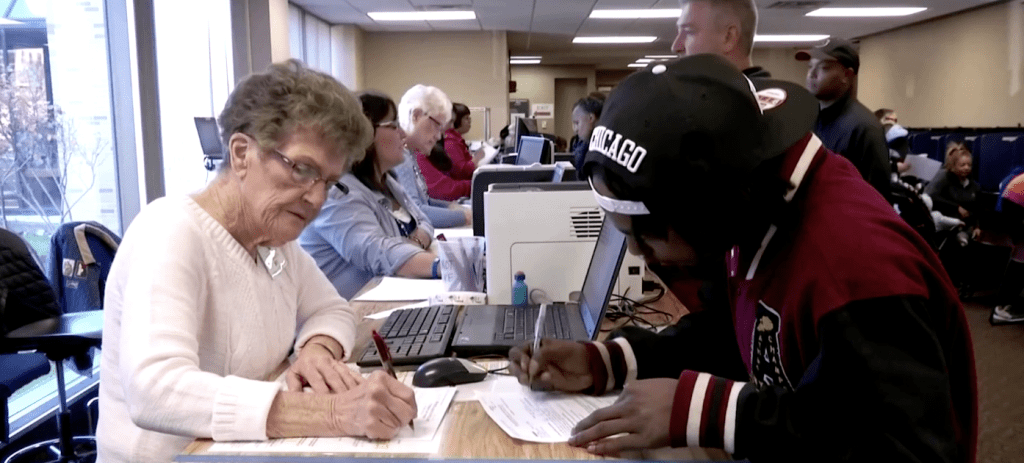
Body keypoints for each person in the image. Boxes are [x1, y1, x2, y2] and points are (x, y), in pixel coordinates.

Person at [509, 55, 977, 462]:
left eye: (644, 236)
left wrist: (710, 411)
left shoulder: (855, 265)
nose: (637, 253)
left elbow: (902, 446)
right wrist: (608, 360)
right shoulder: (755, 198)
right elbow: (750, 335)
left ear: (704, 214)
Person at [96, 61, 417, 463]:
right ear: (242, 153)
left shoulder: (271, 242)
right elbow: (155, 389)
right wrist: (332, 413)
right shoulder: (171, 232)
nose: (316, 198)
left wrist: (316, 351)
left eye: (329, 182)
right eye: (302, 169)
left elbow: (332, 309)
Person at [299, 91, 439, 300]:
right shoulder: (338, 192)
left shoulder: (387, 181)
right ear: (364, 134)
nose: (402, 133)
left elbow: (424, 222)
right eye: (393, 125)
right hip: (348, 313)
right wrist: (446, 265)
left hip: (387, 298)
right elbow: (378, 253)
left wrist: (413, 246)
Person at [797, 38, 891, 202]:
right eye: (810, 66)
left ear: (846, 75)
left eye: (823, 68)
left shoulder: (865, 128)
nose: (812, 74)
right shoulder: (808, 119)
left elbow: (878, 197)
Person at [392, 84, 471, 227]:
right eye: (437, 126)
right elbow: (416, 212)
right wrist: (462, 217)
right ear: (416, 116)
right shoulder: (400, 158)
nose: (439, 136)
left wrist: (454, 208)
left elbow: (425, 201)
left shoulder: (410, 153)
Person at [672, 0, 767, 77]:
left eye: (689, 32)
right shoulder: (710, 97)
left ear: (728, 37)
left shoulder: (752, 99)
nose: (676, 47)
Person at [417, 102, 478, 201]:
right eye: (449, 122)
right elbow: (443, 189)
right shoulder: (419, 153)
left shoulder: (435, 146)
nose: (451, 127)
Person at [992, 169, 1024, 324]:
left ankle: (1002, 306)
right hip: (1014, 205)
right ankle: (1001, 308)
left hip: (1011, 202)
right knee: (1020, 255)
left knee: (1020, 255)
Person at [570, 95, 604, 171]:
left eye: (577, 123)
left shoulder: (600, 153)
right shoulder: (584, 145)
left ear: (591, 118)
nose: (575, 130)